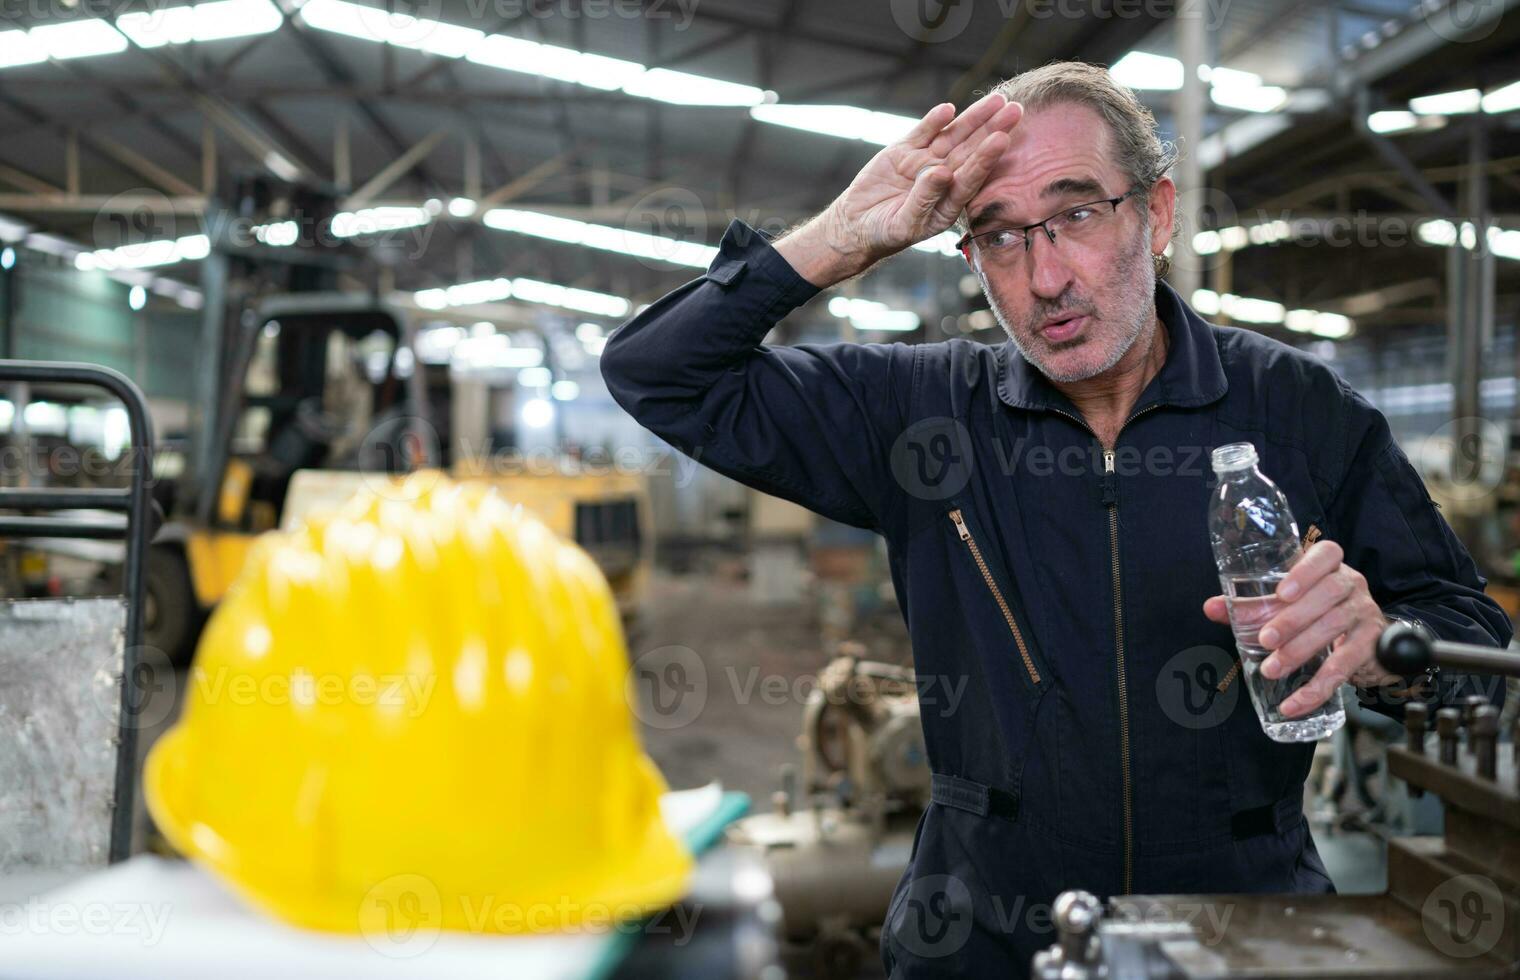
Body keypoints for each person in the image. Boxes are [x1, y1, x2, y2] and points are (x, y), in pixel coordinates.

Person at [600, 61, 1513, 977]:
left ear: (1154, 216)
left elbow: (1479, 654)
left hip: (1239, 923)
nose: (1042, 277)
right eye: (998, 237)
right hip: (979, 938)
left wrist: (1384, 639)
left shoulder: (1295, 407)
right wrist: (840, 238)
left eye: (1076, 215)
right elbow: (658, 374)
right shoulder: (921, 414)